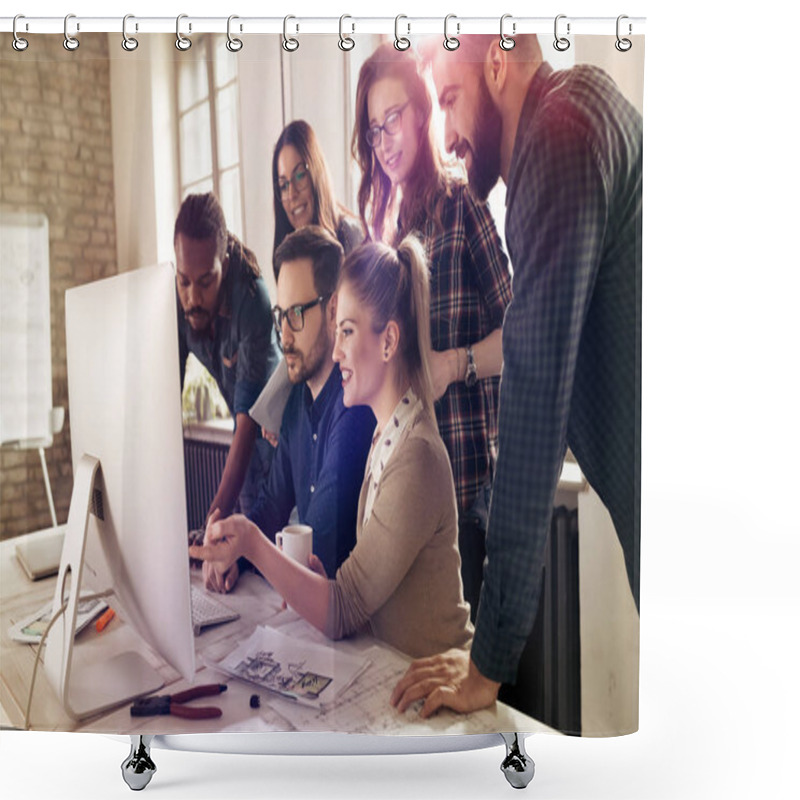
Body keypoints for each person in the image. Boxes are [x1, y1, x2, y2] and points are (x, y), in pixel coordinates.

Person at [391, 36, 643, 717]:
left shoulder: (559, 138)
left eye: (449, 99)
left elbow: (531, 407)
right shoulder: (578, 113)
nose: (447, 134)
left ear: (496, 62)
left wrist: (488, 660)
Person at [190, 237, 473, 660]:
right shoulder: (386, 437)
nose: (337, 349)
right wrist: (318, 579)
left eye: (347, 331)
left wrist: (250, 541)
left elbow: (343, 608)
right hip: (393, 675)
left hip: (435, 694)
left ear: (388, 342)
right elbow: (364, 600)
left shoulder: (414, 455)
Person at [352, 43, 512, 621]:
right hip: (409, 490)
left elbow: (521, 332)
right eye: (374, 129)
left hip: (470, 493)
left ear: (422, 114)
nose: (385, 138)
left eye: (394, 118)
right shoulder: (389, 238)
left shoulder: (463, 202)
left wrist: (454, 364)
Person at [206, 225, 375, 593]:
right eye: (280, 315)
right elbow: (270, 508)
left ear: (334, 311)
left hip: (352, 633)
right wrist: (232, 552)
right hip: (308, 623)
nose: (283, 335)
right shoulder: (298, 402)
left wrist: (249, 546)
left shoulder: (354, 408)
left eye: (297, 313)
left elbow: (324, 551)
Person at [174, 192, 279, 537]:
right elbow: (164, 403)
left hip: (281, 448)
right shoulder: (181, 302)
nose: (192, 297)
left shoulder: (253, 298)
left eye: (206, 281)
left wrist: (210, 525)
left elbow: (247, 422)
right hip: (245, 461)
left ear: (226, 261)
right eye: (184, 281)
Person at [272, 120, 364, 268]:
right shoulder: (289, 256)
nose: (291, 194)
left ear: (316, 172)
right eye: (283, 185)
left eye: (300, 175)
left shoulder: (350, 237)